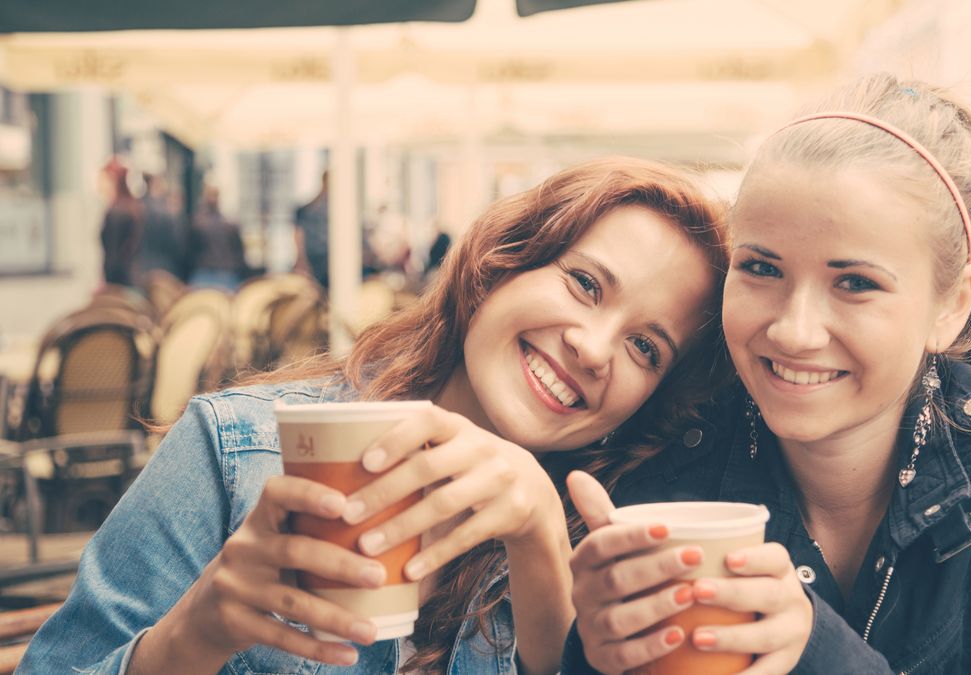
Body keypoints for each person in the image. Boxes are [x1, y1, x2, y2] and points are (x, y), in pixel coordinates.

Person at [18, 157, 731, 675]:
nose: (594, 346)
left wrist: (543, 541)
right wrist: (190, 637)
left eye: (646, 345)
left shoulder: (617, 542)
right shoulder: (236, 452)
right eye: (584, 283)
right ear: (499, 262)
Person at [563, 74, 971, 673]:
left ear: (952, 305)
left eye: (855, 283)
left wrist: (818, 651)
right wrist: (593, 651)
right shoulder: (667, 452)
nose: (794, 331)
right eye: (761, 268)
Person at [134, 173, 191, 286]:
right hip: (167, 270)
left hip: (141, 270)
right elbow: (178, 244)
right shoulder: (169, 211)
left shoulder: (136, 208)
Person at [189, 184, 249, 291]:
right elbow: (240, 255)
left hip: (204, 275)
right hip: (226, 275)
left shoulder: (197, 224)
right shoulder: (229, 225)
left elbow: (189, 253)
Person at [98, 158, 143, 289]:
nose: (99, 185)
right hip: (132, 279)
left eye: (103, 180)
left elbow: (114, 256)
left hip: (119, 284)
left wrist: (107, 284)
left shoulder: (116, 212)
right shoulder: (132, 207)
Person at [294, 170, 331, 287]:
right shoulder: (308, 210)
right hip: (317, 261)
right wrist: (301, 259)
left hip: (330, 261)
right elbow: (298, 234)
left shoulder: (342, 211)